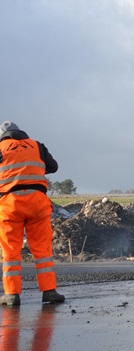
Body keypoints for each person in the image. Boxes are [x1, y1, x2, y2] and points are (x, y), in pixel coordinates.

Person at [0, 121, 65, 306]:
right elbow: (53, 166)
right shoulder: (37, 146)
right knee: (42, 250)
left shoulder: (1, 148)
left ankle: (12, 295)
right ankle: (50, 292)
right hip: (37, 203)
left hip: (9, 205)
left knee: (11, 251)